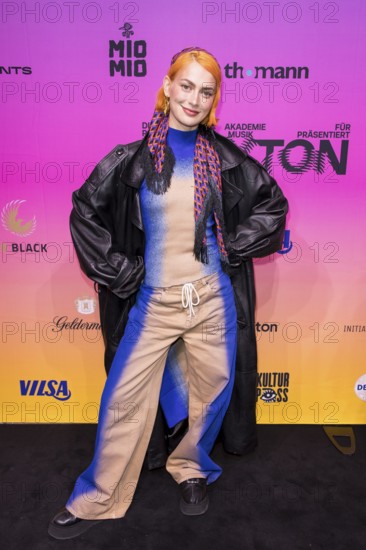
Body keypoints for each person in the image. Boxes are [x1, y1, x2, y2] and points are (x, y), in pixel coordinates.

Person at [48, 47, 288, 540]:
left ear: (214, 97)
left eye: (206, 91)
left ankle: (192, 469)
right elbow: (84, 211)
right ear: (167, 85)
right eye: (186, 86)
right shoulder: (132, 161)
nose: (194, 99)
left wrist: (236, 244)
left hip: (212, 303)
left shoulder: (226, 159)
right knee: (122, 400)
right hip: (154, 304)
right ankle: (97, 497)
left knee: (211, 395)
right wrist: (117, 270)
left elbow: (273, 203)